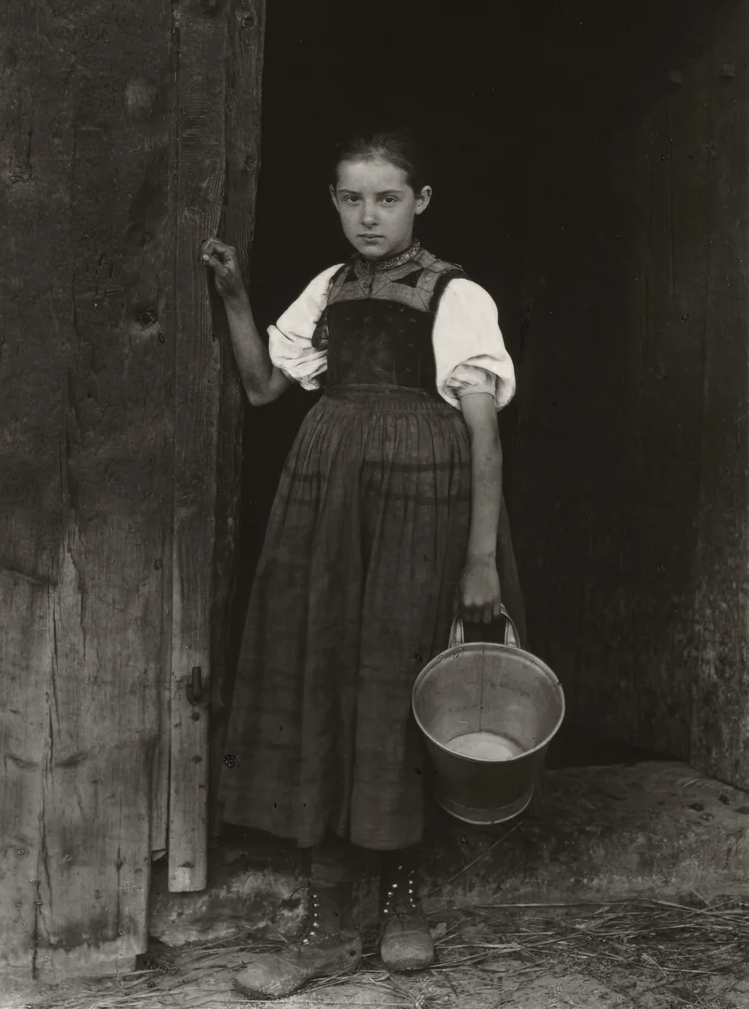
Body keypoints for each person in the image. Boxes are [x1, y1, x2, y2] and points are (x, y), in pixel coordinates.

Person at [201, 125, 525, 1001]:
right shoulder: (328, 288)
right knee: (327, 674)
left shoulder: (455, 294)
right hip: (327, 497)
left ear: (420, 201)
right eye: (351, 198)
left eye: (387, 198)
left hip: (422, 503)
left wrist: (480, 562)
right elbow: (267, 387)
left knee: (399, 676)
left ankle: (404, 897)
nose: (367, 216)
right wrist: (235, 297)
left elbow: (484, 432)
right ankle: (325, 919)